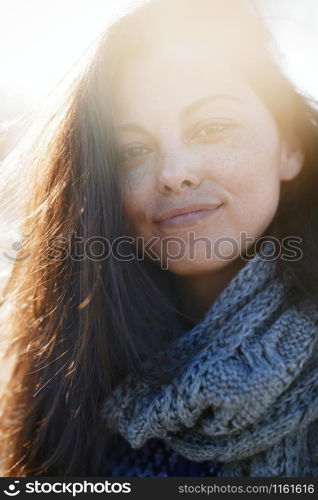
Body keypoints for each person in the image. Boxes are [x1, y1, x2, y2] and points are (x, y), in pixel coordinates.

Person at [1, 0, 318, 477]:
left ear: (289, 148)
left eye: (212, 127)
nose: (173, 174)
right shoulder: (70, 359)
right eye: (131, 149)